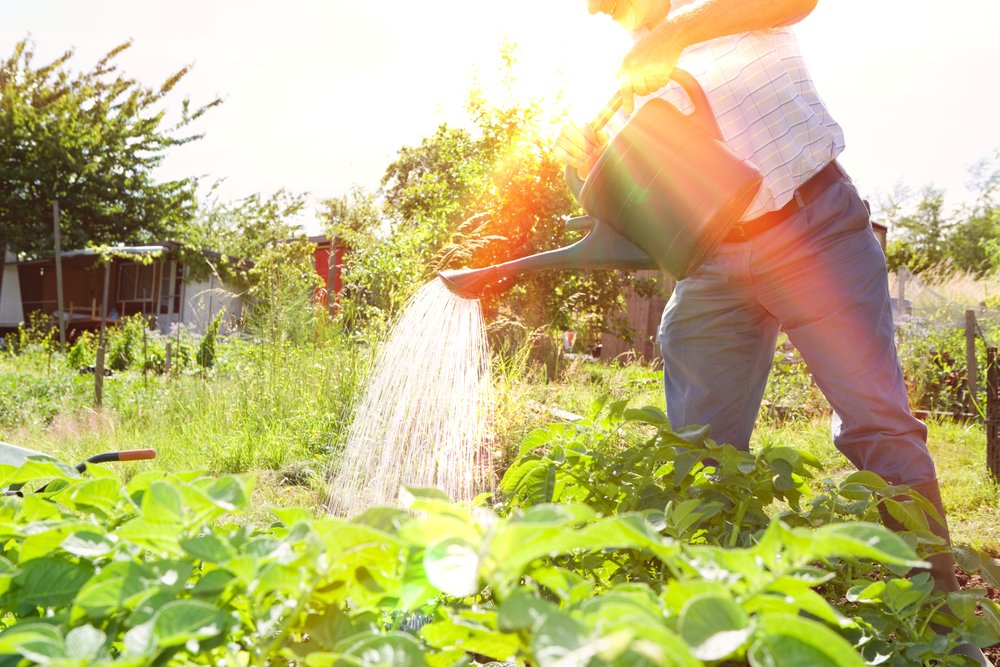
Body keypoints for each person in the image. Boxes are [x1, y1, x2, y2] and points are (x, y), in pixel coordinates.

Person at [555, 1, 991, 664]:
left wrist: (678, 34)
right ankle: (716, 634)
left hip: (814, 226)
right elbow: (643, 205)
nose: (614, 15)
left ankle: (934, 632)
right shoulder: (629, 67)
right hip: (712, 264)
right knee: (698, 456)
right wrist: (597, 162)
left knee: (877, 425)